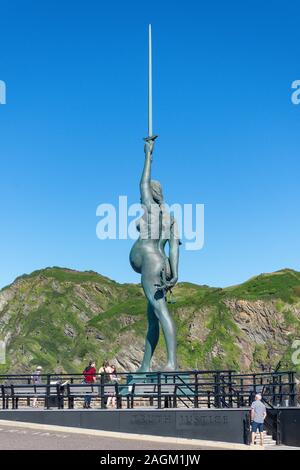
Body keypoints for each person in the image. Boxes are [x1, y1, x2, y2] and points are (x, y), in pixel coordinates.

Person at [129, 137, 180, 372]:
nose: (141, 199)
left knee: (160, 311)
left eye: (146, 195)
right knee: (153, 318)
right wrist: (174, 273)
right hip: (161, 264)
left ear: (152, 194)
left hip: (151, 264)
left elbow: (142, 183)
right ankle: (145, 365)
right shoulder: (170, 218)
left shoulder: (152, 210)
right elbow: (175, 247)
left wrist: (147, 155)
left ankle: (171, 363)